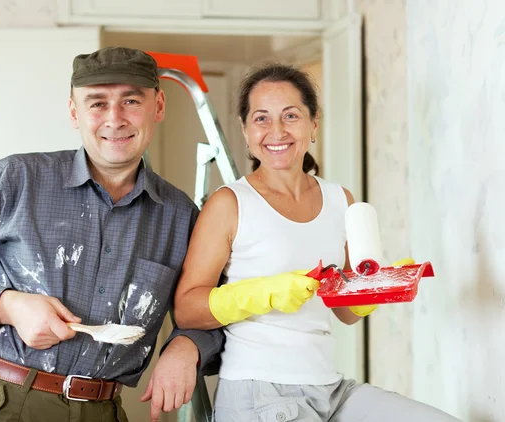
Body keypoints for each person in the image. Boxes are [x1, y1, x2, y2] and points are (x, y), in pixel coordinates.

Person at [0, 46, 222, 422]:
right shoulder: (15, 179)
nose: (115, 118)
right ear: (75, 113)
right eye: (96, 103)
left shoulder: (181, 216)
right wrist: (10, 306)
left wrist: (187, 346)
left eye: (131, 101)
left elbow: (216, 311)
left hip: (101, 410)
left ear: (158, 107)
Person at [173, 63, 461, 422]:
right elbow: (187, 307)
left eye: (290, 115)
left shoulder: (342, 199)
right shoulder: (230, 203)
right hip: (259, 392)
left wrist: (374, 290)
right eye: (261, 118)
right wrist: (264, 293)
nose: (276, 131)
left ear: (313, 124)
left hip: (331, 388)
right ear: (246, 131)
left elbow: (344, 313)